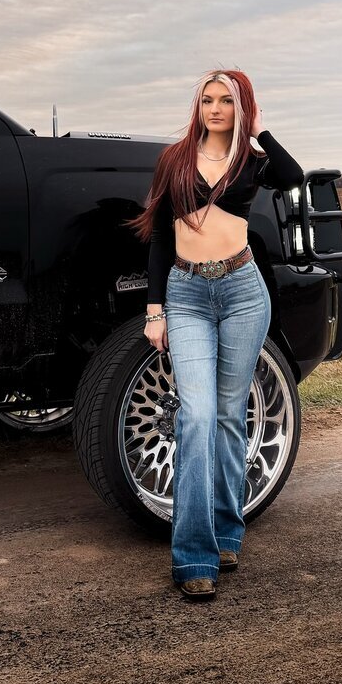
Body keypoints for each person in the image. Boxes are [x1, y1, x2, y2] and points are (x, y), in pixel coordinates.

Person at [126, 70, 304, 601]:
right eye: (208, 99)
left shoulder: (252, 160)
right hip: (186, 295)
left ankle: (227, 533)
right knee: (197, 416)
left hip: (244, 292)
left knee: (229, 415)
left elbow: (293, 175)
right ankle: (193, 556)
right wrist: (155, 310)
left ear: (241, 107)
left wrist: (260, 129)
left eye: (227, 100)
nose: (216, 108)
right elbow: (160, 237)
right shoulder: (175, 159)